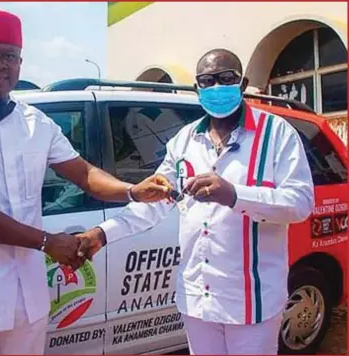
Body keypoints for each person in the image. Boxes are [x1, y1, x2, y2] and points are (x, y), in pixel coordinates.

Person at [0, 6, 173, 356]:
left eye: (8, 56)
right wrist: (47, 241)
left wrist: (131, 190)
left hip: (28, 297)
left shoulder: (36, 123)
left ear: (20, 63)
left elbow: (83, 173)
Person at [76, 48, 315, 355]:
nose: (217, 86)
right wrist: (102, 233)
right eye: (207, 80)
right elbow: (156, 201)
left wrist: (235, 195)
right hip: (197, 300)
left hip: (252, 303)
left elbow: (300, 203)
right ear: (196, 89)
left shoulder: (276, 134)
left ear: (242, 84)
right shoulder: (184, 141)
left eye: (226, 78)